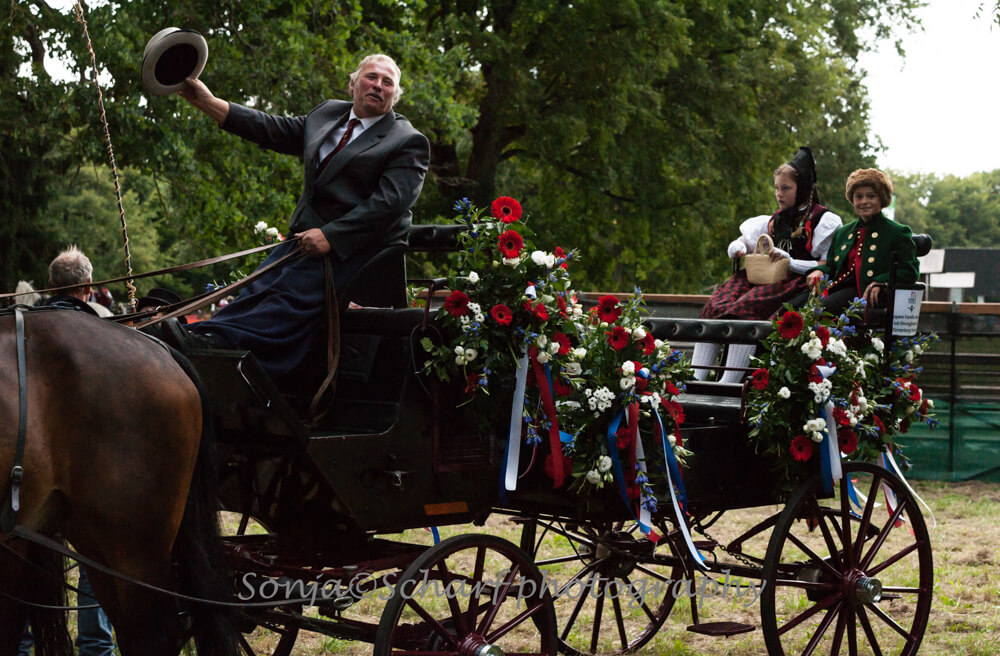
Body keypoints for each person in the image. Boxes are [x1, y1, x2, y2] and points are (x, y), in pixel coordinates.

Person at [174, 53, 430, 389]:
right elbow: (272, 129)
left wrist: (331, 237)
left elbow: (391, 203)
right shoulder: (327, 114)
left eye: (387, 83)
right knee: (256, 289)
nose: (378, 86)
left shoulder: (407, 141)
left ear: (394, 96)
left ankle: (231, 353)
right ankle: (203, 339)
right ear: (353, 83)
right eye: (371, 77)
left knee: (289, 298)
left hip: (359, 251)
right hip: (306, 240)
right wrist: (208, 102)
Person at [18, 247, 117, 655]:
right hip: (95, 468)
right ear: (89, 287)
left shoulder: (27, 331)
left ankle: (22, 644)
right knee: (97, 558)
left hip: (34, 465)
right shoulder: (111, 329)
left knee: (25, 554)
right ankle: (96, 647)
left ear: (52, 285)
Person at [691, 147, 842, 382]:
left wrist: (790, 261)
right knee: (714, 306)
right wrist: (737, 246)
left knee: (745, 310)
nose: (779, 194)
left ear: (801, 188)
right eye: (777, 188)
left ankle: (728, 382)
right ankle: (695, 378)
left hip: (793, 282)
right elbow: (748, 241)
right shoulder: (773, 219)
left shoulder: (822, 220)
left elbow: (826, 264)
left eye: (786, 188)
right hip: (761, 276)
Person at [799, 168, 918, 313]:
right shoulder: (843, 233)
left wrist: (880, 281)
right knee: (792, 307)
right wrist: (819, 271)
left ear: (882, 198)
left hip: (863, 293)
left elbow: (909, 271)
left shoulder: (897, 232)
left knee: (815, 312)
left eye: (871, 196)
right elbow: (831, 266)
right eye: (858, 197)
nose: (864, 202)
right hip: (836, 288)